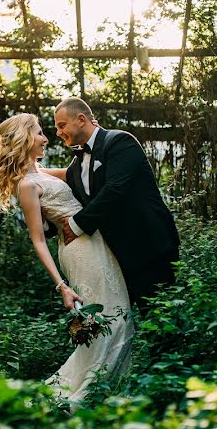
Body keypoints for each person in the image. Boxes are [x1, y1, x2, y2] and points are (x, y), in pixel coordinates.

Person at [0, 113, 133, 406]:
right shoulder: (27, 185)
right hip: (79, 251)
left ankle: (111, 391)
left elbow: (79, 174)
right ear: (25, 138)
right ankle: (90, 395)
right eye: (41, 132)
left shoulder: (42, 173)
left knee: (119, 315)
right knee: (111, 319)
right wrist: (62, 286)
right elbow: (38, 239)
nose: (46, 138)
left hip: (95, 243)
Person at [52, 97, 179, 314]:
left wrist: (76, 225)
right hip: (121, 254)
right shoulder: (79, 160)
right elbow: (65, 177)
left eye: (61, 125)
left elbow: (114, 191)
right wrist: (28, 172)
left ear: (81, 119)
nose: (58, 132)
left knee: (163, 318)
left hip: (150, 248)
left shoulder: (120, 142)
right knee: (134, 320)